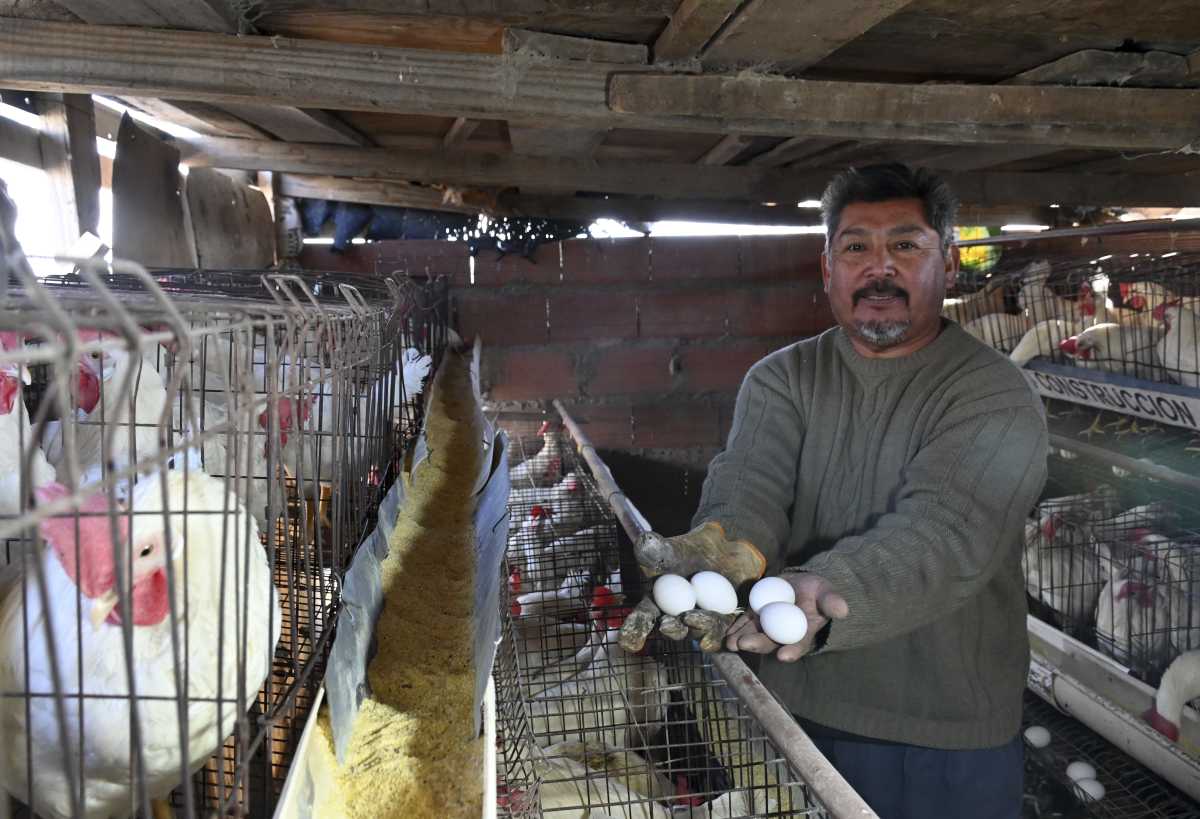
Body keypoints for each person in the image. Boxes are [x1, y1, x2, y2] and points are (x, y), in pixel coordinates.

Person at [619, 163, 1047, 819]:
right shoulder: (783, 380)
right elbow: (748, 488)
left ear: (950, 263)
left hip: (944, 734)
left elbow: (947, 532)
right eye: (855, 248)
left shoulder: (993, 394)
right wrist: (721, 550)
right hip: (798, 709)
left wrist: (827, 588)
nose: (880, 268)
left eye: (905, 245)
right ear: (827, 269)